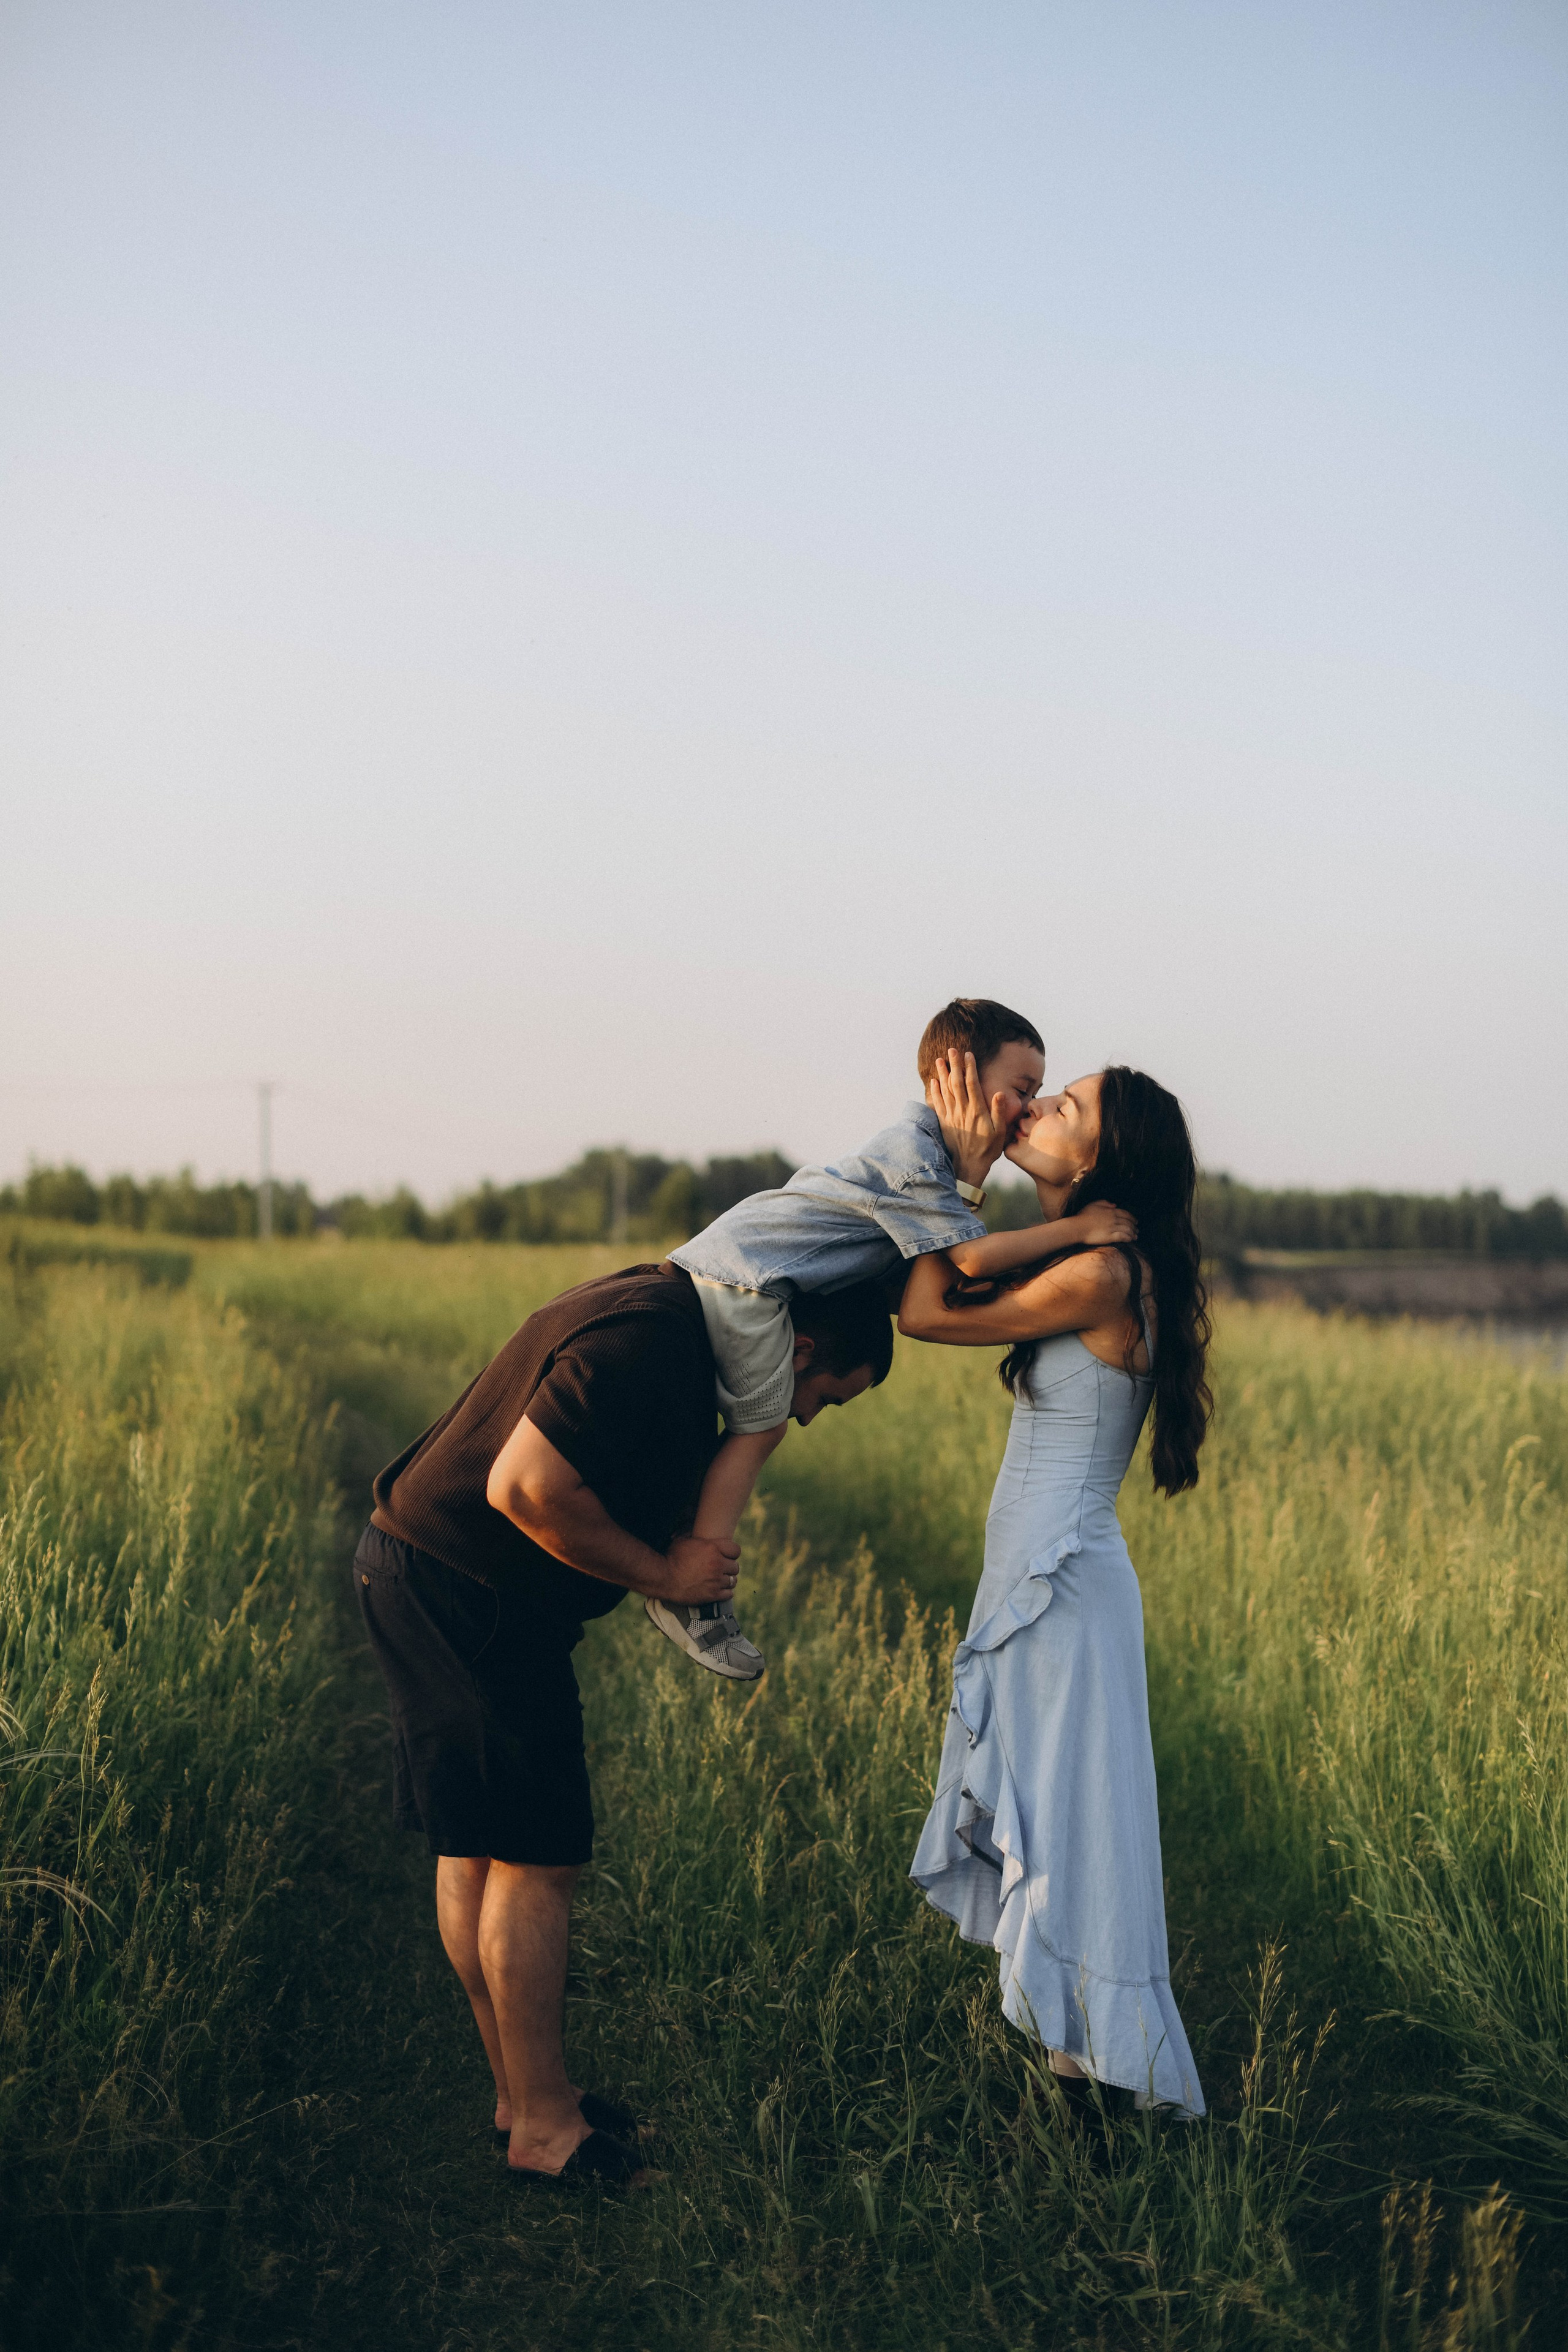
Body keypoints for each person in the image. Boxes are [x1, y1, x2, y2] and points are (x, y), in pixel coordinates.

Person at [352, 1259, 893, 2182]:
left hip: (433, 1574)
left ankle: (523, 2097)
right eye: (824, 1399)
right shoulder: (656, 1343)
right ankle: (544, 2132)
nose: (803, 1419)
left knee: (478, 1846)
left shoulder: (667, 1311)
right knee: (536, 1860)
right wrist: (666, 1574)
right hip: (469, 1594)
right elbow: (524, 1489)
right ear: (800, 1350)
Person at [900, 1057, 1213, 2117]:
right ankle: (1084, 2078)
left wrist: (961, 1162)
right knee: (1065, 1819)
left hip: (1059, 1589)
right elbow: (956, 1275)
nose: (1035, 1108)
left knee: (1073, 1825)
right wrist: (1050, 1214)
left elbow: (925, 1307)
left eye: (1064, 1106)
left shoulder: (1103, 1277)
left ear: (1101, 1161)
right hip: (1048, 1580)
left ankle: (1104, 2085)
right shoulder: (1091, 1256)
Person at [658, 997, 1133, 1681]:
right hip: (749, 1279)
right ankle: (696, 1595)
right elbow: (968, 1263)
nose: (1029, 1107)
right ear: (957, 1078)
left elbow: (940, 1277)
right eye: (1022, 1089)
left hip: (750, 1273)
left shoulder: (926, 1157)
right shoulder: (917, 1160)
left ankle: (682, 1545)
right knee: (760, 1428)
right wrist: (1077, 1230)